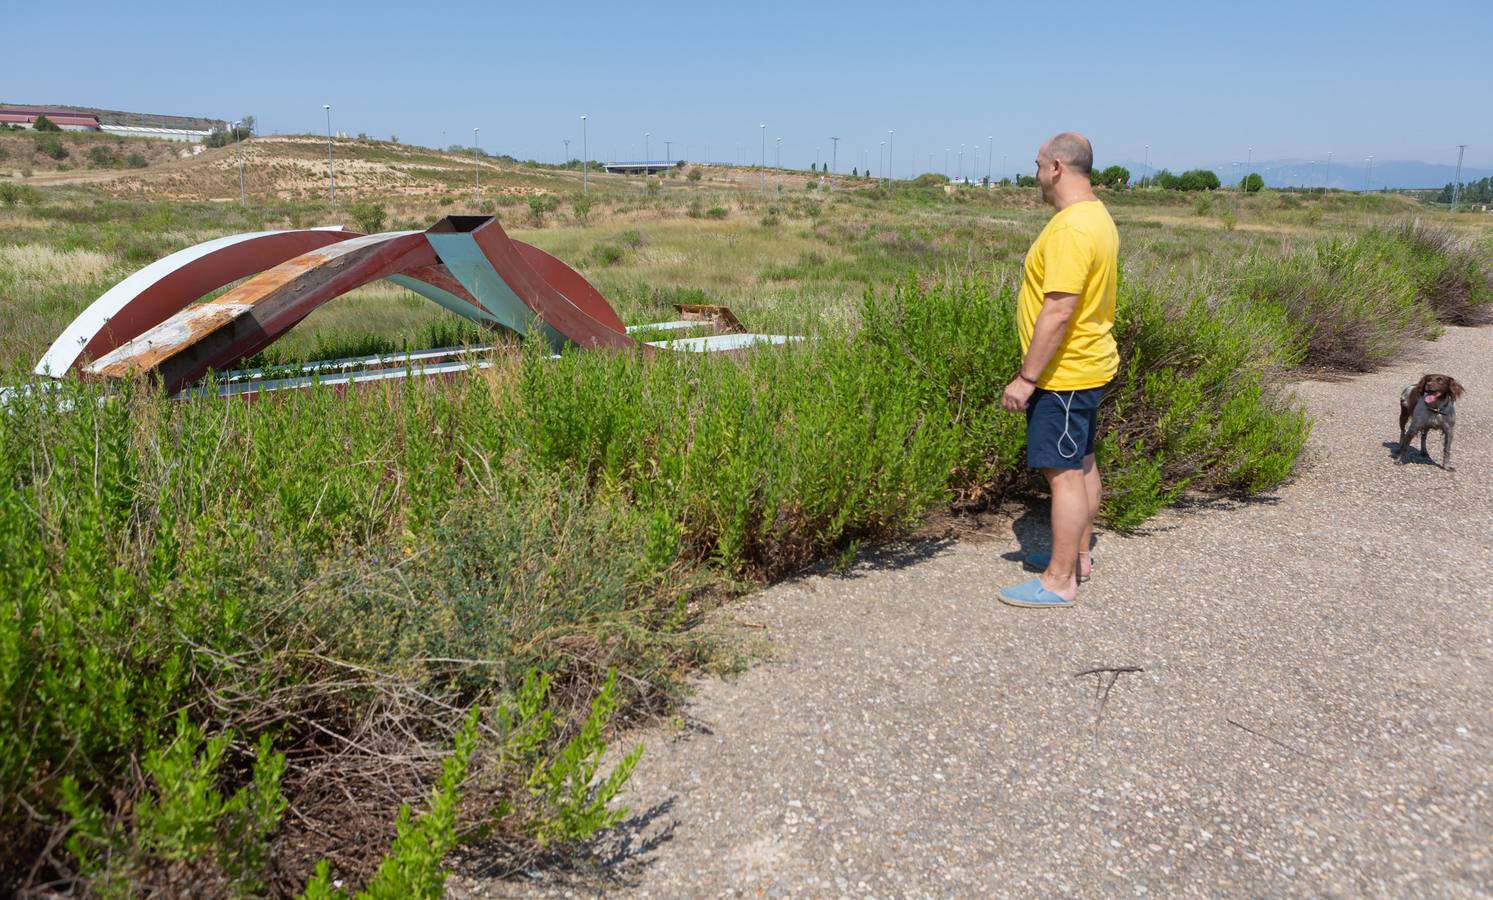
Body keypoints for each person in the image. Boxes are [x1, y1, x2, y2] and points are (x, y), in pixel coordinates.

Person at [997, 132, 1119, 609]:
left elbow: (1059, 309)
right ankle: (1079, 557)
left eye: (1038, 164)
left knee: (1062, 474)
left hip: (1063, 375)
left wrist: (1027, 379)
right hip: (1089, 367)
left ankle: (1059, 579)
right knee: (1083, 463)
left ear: (1057, 169)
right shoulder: (1098, 216)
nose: (1035, 173)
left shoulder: (1071, 228)